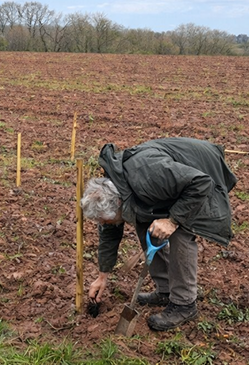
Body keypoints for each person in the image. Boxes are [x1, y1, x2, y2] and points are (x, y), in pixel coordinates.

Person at [81, 137, 237, 331]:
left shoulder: (147, 175)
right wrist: (102, 276)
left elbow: (200, 183)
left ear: (118, 204)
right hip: (174, 185)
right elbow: (109, 233)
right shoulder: (115, 191)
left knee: (182, 233)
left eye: (106, 220)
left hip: (203, 175)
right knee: (145, 223)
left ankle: (184, 303)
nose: (105, 224)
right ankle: (165, 290)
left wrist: (173, 221)